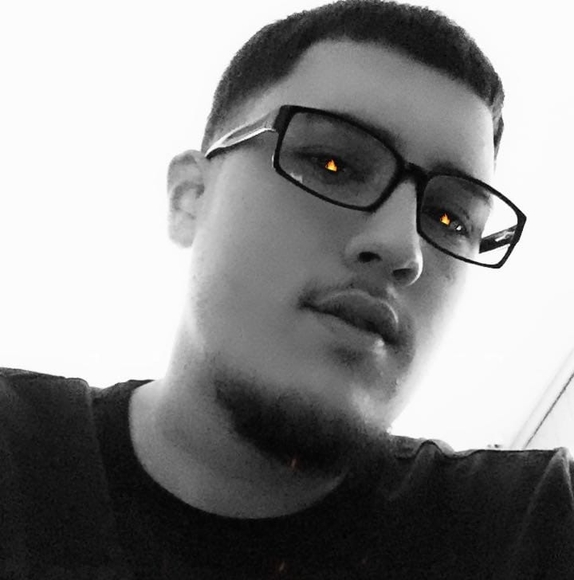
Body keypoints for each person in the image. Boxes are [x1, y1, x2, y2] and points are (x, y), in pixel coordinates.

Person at [1, 0, 572, 578]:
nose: (403, 249)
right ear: (191, 198)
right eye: (332, 164)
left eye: (450, 219)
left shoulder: (527, 526)